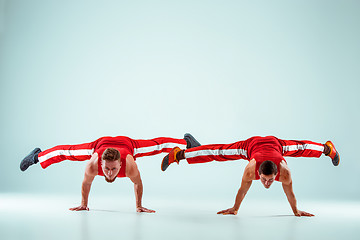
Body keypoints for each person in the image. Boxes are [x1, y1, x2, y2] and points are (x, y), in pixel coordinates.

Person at [161, 136, 339, 217]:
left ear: (277, 174)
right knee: (219, 152)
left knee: (300, 148)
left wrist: (295, 211)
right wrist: (235, 208)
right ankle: (180, 154)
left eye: (270, 180)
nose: (267, 183)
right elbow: (242, 190)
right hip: (251, 146)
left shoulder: (285, 172)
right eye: (263, 179)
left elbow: (290, 194)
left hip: (277, 145)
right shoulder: (250, 169)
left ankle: (327, 148)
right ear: (258, 174)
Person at [20, 134, 200, 213]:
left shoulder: (130, 166)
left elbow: (137, 183)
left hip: (128, 144)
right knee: (68, 152)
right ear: (101, 163)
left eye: (114, 169)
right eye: (106, 169)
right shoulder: (93, 165)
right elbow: (86, 183)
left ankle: (186, 142)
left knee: (156, 145)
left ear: (121, 164)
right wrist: (84, 204)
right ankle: (36, 156)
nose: (110, 173)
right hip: (100, 144)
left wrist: (139, 206)